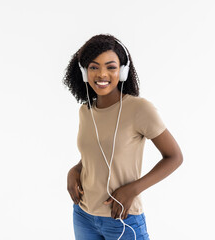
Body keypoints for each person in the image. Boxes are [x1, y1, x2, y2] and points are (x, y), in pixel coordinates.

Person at [63, 34, 183, 240]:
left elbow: (174, 157)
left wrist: (132, 190)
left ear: (123, 71)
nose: (102, 74)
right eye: (93, 67)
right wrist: (75, 170)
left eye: (111, 67)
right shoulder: (86, 111)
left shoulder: (139, 109)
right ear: (84, 72)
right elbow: (96, 155)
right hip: (84, 216)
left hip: (122, 219)